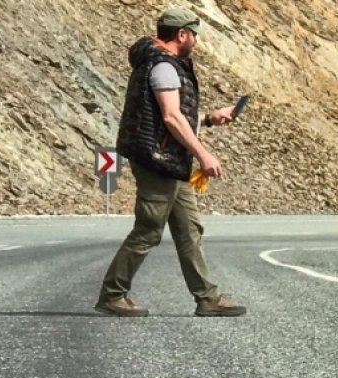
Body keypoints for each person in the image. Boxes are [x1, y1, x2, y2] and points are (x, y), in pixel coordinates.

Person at [94, 7, 246, 317]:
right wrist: (204, 154)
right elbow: (171, 117)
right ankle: (112, 294)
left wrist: (210, 119)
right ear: (181, 34)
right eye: (194, 35)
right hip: (157, 160)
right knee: (149, 228)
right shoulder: (163, 66)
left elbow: (175, 117)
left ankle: (207, 298)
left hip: (170, 160)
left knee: (189, 227)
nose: (196, 42)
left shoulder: (166, 64)